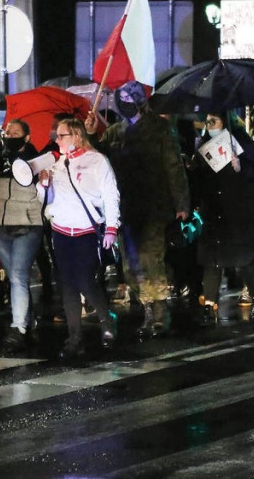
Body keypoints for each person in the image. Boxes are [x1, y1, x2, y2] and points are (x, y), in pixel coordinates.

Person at [88, 81, 189, 338]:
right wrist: (90, 135)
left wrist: (182, 204)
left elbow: (174, 167)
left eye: (129, 98)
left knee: (151, 259)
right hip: (126, 208)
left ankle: (159, 312)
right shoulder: (115, 132)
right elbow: (98, 159)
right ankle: (145, 307)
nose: (124, 103)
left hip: (154, 205)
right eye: (120, 98)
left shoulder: (160, 129)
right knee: (131, 264)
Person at [38, 118, 120, 360]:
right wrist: (43, 185)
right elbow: (47, 198)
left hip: (86, 232)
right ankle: (75, 338)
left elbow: (110, 195)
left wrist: (112, 227)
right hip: (61, 232)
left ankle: (107, 322)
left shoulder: (97, 161)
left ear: (75, 136)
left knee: (85, 281)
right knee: (67, 285)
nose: (57, 140)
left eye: (61, 135)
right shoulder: (57, 165)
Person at [190, 113, 254, 323]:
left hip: (239, 210)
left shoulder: (243, 143)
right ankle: (209, 304)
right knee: (212, 260)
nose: (210, 126)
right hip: (214, 210)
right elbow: (198, 178)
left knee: (244, 260)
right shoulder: (204, 147)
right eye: (207, 122)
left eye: (213, 121)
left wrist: (241, 168)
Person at [0, 119, 45, 351]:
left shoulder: (35, 160)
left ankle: (18, 328)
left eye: (16, 132)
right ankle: (28, 319)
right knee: (18, 278)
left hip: (27, 224)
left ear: (27, 138)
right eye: (7, 132)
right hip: (0, 224)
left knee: (17, 276)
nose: (10, 135)